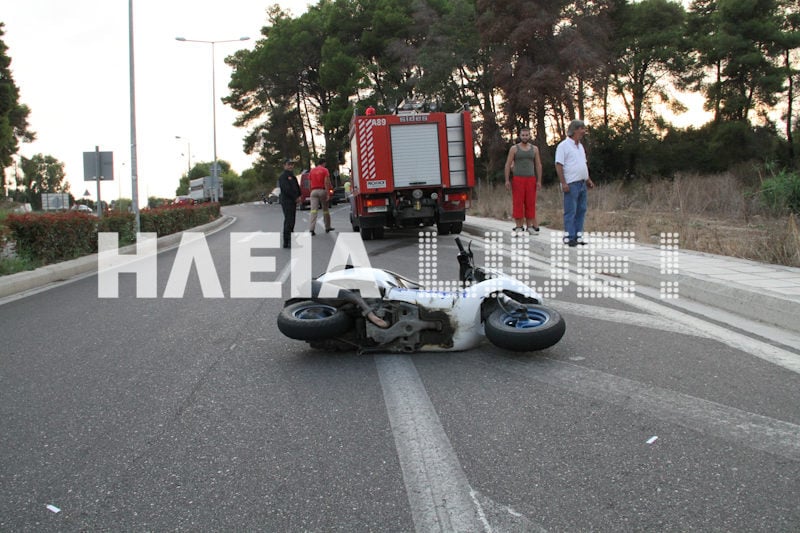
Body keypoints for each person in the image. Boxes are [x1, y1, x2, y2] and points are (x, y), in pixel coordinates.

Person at [555, 119, 595, 247]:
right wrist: (563, 182)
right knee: (570, 211)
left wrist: (588, 180)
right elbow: (559, 165)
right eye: (581, 129)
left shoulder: (580, 147)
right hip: (571, 183)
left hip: (582, 182)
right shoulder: (563, 146)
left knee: (581, 210)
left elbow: (582, 164)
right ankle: (569, 236)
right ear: (574, 130)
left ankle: (578, 235)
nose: (583, 132)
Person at [504, 127, 543, 234]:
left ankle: (530, 226)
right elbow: (508, 164)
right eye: (523, 135)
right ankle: (518, 226)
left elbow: (538, 165)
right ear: (520, 136)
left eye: (527, 135)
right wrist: (507, 180)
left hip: (531, 179)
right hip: (518, 179)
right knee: (518, 202)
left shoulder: (534, 149)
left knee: (530, 202)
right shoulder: (514, 149)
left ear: (530, 136)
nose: (525, 137)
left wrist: (539, 181)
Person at [278, 158, 302, 248]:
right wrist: (295, 197)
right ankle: (287, 242)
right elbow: (286, 189)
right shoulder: (283, 177)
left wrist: (299, 196)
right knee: (289, 221)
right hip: (287, 201)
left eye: (292, 164)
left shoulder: (293, 176)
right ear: (284, 165)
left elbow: (297, 187)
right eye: (288, 164)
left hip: (293, 201)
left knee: (292, 221)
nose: (291, 166)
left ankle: (290, 241)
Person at [308, 158, 334, 235]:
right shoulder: (325, 170)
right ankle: (327, 227)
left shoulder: (312, 171)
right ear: (324, 163)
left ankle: (311, 229)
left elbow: (309, 182)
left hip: (313, 191)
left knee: (313, 210)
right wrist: (328, 193)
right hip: (322, 190)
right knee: (325, 210)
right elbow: (326, 182)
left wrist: (311, 191)